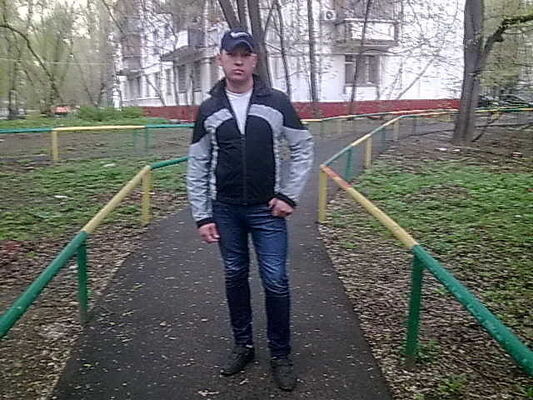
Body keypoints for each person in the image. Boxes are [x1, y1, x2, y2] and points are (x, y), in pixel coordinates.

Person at [186, 27, 313, 392]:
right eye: (232, 54)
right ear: (220, 59)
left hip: (267, 211)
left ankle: (281, 354)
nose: (238, 61)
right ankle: (243, 345)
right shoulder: (209, 108)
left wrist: (289, 195)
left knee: (276, 281)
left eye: (245, 55)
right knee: (235, 276)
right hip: (225, 211)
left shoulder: (276, 102)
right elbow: (197, 163)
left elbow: (303, 147)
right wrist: (202, 214)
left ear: (255, 60)